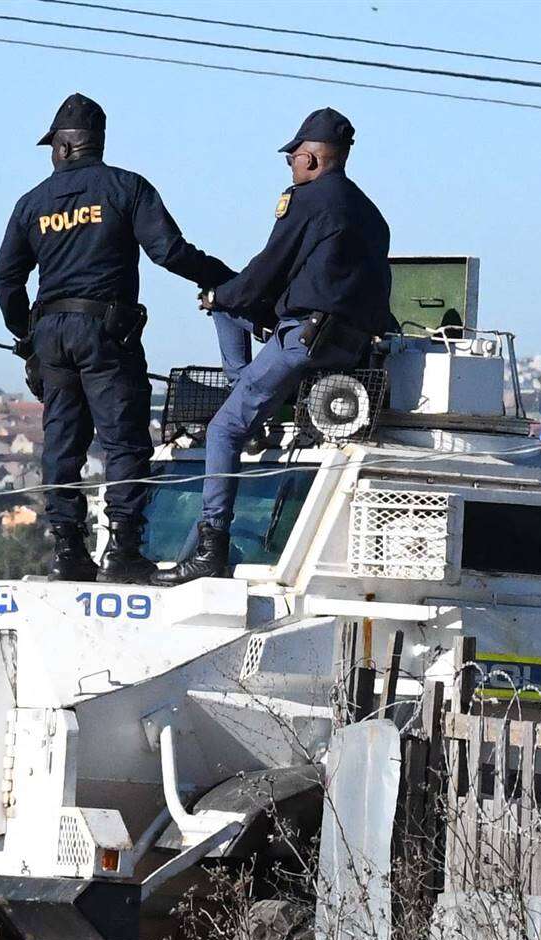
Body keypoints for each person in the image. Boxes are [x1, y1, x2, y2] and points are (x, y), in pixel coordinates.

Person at [0, 93, 233, 584]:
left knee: (62, 441)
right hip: (105, 330)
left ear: (61, 147)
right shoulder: (126, 188)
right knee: (122, 439)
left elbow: (5, 280)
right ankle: (123, 549)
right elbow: (170, 252)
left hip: (52, 333)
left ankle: (68, 552)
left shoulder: (31, 203)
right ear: (95, 144)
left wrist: (26, 338)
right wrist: (228, 281)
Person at [152, 108, 392, 586]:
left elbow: (270, 264)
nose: (289, 167)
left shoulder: (307, 198)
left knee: (223, 430)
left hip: (304, 338)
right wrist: (236, 301)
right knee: (231, 315)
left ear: (311, 158)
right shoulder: (370, 212)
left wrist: (221, 294)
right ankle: (250, 399)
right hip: (349, 344)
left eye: (292, 159)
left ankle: (209, 547)